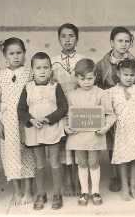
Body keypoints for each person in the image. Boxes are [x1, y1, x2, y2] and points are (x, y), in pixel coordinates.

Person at [18, 52, 68, 210]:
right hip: (35, 129)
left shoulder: (55, 86)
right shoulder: (27, 87)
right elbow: (21, 110)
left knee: (54, 162)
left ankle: (57, 194)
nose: (42, 71)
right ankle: (40, 193)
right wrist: (31, 119)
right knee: (39, 164)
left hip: (52, 128)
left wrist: (49, 118)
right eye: (38, 68)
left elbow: (63, 107)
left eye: (46, 67)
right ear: (32, 70)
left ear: (51, 69)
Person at [95, 26, 135, 192]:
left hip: (128, 108)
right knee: (113, 143)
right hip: (111, 108)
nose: (123, 44)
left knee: (131, 141)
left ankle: (131, 178)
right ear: (111, 42)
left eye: (127, 41)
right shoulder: (101, 64)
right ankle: (116, 176)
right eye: (119, 41)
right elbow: (97, 86)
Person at [65, 58, 116, 206]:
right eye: (82, 78)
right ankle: (84, 191)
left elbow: (111, 114)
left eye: (90, 78)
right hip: (78, 136)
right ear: (76, 78)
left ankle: (95, 191)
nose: (86, 82)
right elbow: (67, 116)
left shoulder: (101, 94)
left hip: (95, 135)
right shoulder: (72, 95)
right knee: (81, 163)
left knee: (93, 162)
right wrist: (67, 127)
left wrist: (105, 127)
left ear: (95, 77)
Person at [0, 37, 36, 205]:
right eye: (11, 53)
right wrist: (0, 123)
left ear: (25, 54)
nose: (16, 56)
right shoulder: (0, 75)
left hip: (25, 119)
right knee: (11, 156)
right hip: (8, 120)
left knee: (27, 154)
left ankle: (28, 191)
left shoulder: (29, 73)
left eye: (19, 53)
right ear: (5, 56)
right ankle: (17, 192)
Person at [51, 23, 84, 196]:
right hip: (61, 108)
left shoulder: (82, 59)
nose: (68, 39)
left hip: (78, 106)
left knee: (78, 143)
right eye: (64, 36)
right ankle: (67, 182)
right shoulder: (53, 62)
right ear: (59, 39)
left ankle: (79, 181)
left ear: (76, 39)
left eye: (71, 36)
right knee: (63, 144)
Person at [110, 59, 135, 201]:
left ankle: (133, 186)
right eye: (125, 75)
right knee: (123, 160)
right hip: (122, 130)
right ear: (118, 74)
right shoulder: (112, 92)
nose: (129, 78)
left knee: (134, 159)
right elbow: (108, 112)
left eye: (132, 75)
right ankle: (125, 187)